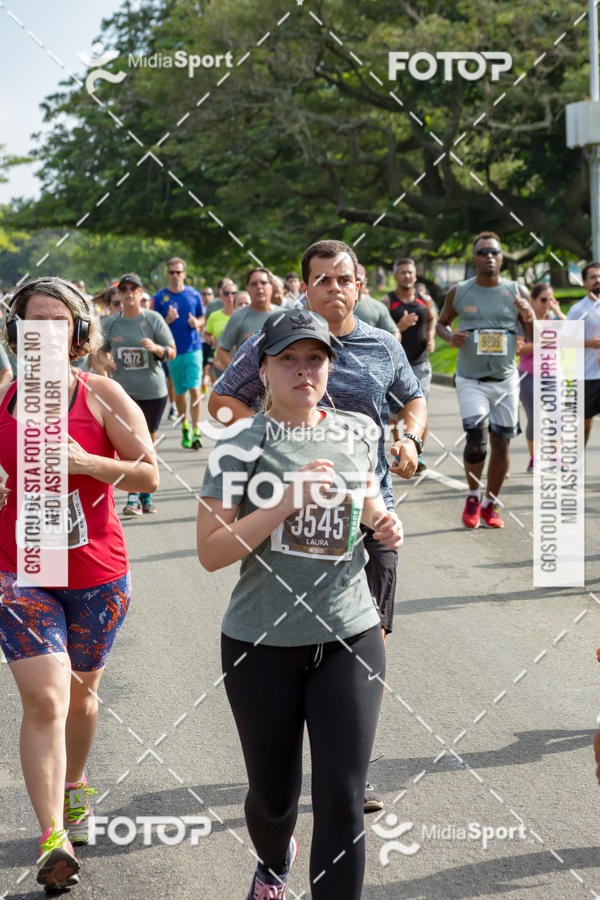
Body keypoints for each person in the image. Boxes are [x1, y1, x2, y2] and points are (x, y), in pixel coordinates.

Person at [209, 239, 426, 811]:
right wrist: (268, 443)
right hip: (285, 507)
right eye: (322, 279)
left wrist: (410, 439)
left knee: (366, 632)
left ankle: (348, 762)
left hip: (367, 507)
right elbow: (223, 401)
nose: (335, 287)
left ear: (359, 285)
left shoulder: (381, 343)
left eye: (344, 278)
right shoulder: (273, 340)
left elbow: (414, 400)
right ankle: (290, 797)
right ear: (304, 286)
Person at [198, 310, 403, 900]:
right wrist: (283, 503)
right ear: (261, 368)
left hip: (349, 634)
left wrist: (383, 522)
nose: (303, 370)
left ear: (330, 367)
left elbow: (365, 500)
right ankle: (272, 856)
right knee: (273, 797)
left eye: (315, 358)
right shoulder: (240, 443)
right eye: (288, 358)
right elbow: (211, 552)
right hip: (260, 642)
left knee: (342, 796)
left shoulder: (359, 430)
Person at [0, 276, 158, 890]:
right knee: (45, 698)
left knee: (82, 696)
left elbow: (148, 476)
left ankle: (73, 785)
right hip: (21, 570)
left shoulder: (103, 395)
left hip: (95, 573)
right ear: (16, 334)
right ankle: (52, 839)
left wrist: (88, 464)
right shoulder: (5, 402)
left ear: (78, 333)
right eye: (31, 322)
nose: (43, 333)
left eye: (57, 322)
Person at [437, 232, 533, 528]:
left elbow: (533, 334)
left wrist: (529, 316)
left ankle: (491, 503)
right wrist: (450, 337)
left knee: (502, 444)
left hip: (505, 379)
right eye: (483, 252)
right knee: (477, 441)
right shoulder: (460, 291)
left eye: (494, 252)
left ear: (502, 258)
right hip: (470, 379)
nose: (489, 256)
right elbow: (441, 324)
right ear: (475, 258)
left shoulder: (517, 290)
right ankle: (473, 495)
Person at [93, 273, 175, 515]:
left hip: (152, 391)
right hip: (123, 394)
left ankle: (145, 496)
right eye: (124, 289)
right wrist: (105, 366)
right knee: (128, 445)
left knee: (147, 443)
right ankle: (132, 498)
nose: (129, 293)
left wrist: (157, 348)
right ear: (119, 294)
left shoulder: (153, 319)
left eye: (133, 289)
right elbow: (97, 351)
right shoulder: (111, 323)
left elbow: (172, 351)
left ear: (141, 293)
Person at [383, 258, 437, 468]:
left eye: (410, 272)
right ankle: (401, 451)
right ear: (396, 276)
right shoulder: (387, 303)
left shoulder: (425, 300)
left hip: (420, 364)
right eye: (403, 272)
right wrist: (399, 327)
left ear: (416, 276)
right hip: (395, 367)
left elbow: (432, 318)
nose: (407, 276)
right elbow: (379, 332)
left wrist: (431, 336)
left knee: (420, 408)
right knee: (397, 413)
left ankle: (417, 451)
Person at [153, 257, 205, 449]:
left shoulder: (194, 294)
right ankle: (185, 426)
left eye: (179, 272)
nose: (175, 276)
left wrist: (197, 323)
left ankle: (197, 430)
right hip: (173, 351)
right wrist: (167, 319)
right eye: (172, 272)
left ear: (184, 274)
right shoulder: (159, 298)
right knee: (180, 392)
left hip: (194, 348)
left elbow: (202, 317)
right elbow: (155, 327)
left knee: (195, 388)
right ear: (168, 274)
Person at [517, 284, 566, 471]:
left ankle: (555, 457)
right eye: (543, 300)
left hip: (552, 375)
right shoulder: (525, 321)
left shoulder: (554, 319)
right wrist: (541, 342)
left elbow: (570, 330)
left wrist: (557, 310)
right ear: (533, 300)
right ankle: (534, 458)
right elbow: (519, 349)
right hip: (528, 375)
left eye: (550, 300)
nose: (547, 304)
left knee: (556, 416)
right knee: (535, 418)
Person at [214, 267, 278, 372]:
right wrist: (238, 374)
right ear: (248, 288)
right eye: (254, 284)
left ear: (271, 287)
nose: (259, 287)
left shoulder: (283, 315)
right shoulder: (237, 317)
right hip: (250, 384)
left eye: (263, 283)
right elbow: (221, 351)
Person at [567, 262, 600, 445]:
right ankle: (575, 461)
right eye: (593, 277)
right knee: (583, 423)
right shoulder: (578, 310)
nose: (598, 281)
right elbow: (565, 341)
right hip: (587, 376)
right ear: (584, 282)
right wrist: (590, 344)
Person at [353, 264, 399, 338]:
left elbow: (394, 333)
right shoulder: (333, 306)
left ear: (365, 281)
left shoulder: (378, 307)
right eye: (349, 282)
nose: (355, 287)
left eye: (359, 283)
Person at [204, 286, 236, 379]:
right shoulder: (214, 315)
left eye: (233, 293)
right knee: (223, 392)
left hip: (240, 359)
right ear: (221, 297)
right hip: (220, 361)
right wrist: (214, 342)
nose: (230, 296)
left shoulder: (242, 314)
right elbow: (206, 335)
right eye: (226, 293)